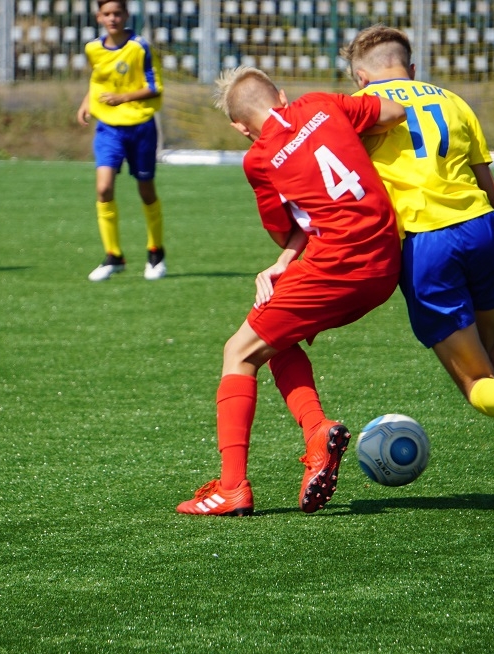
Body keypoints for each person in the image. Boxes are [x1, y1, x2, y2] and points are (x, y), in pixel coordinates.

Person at [340, 25, 494, 513]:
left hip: (426, 243)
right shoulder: (454, 101)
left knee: (476, 383)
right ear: (411, 68)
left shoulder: (364, 112)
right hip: (481, 229)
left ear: (360, 78)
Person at [176, 67, 407, 516]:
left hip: (338, 263)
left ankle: (232, 488)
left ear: (240, 127)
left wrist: (285, 255)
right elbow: (393, 111)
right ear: (281, 95)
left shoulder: (258, 158)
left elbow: (285, 229)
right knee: (274, 337)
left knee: (238, 352)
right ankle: (317, 432)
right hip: (386, 261)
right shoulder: (322, 104)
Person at [76, 0, 166, 282]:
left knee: (146, 191)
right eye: (107, 14)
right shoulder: (92, 48)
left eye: (117, 13)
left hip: (140, 127)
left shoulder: (140, 48)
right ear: (98, 17)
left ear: (126, 15)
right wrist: (86, 102)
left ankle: (155, 251)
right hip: (108, 129)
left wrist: (123, 98)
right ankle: (113, 255)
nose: (112, 18)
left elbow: (154, 87)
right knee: (103, 189)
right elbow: (99, 79)